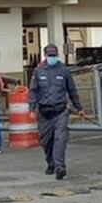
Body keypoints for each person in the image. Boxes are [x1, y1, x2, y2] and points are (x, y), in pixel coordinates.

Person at [29, 44, 85, 180]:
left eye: (54, 55)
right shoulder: (38, 71)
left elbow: (72, 90)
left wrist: (79, 108)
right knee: (46, 141)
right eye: (50, 55)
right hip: (44, 112)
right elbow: (33, 91)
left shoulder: (64, 70)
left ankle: (60, 167)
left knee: (60, 138)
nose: (52, 57)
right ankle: (51, 163)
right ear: (45, 56)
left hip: (60, 111)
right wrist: (31, 108)